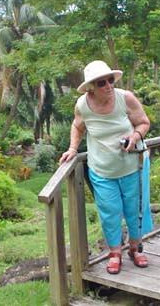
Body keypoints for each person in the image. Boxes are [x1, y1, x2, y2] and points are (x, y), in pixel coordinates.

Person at [59, 60, 152, 275]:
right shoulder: (83, 105)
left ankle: (135, 249)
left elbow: (143, 122)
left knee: (135, 210)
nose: (108, 86)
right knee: (110, 212)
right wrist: (73, 148)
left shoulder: (125, 98)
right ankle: (115, 253)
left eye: (110, 80)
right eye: (102, 83)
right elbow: (77, 125)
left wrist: (135, 135)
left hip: (133, 166)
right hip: (102, 170)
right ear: (91, 86)